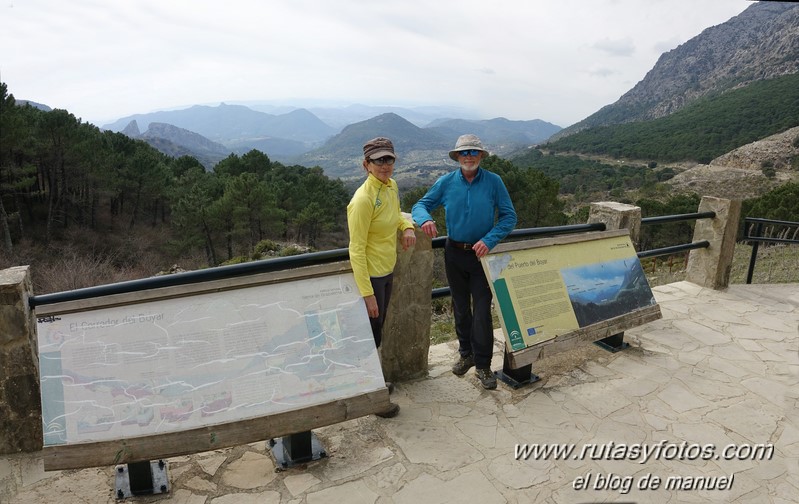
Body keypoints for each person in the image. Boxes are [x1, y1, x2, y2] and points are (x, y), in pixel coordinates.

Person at [412, 134, 517, 390]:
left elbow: (508, 216)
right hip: (454, 253)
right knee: (460, 306)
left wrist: (490, 240)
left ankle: (482, 365)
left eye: (473, 152)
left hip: (482, 255)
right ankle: (466, 354)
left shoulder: (494, 182)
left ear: (480, 156)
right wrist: (425, 219)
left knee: (482, 311)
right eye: (464, 153)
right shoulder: (446, 182)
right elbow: (420, 204)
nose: (468, 157)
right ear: (457, 157)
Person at [347, 136, 416, 417]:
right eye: (379, 161)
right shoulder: (362, 200)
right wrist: (367, 293)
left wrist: (408, 226)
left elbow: (396, 213)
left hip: (387, 270)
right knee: (370, 337)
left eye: (389, 159)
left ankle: (373, 387)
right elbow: (356, 248)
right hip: (373, 277)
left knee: (376, 334)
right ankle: (373, 398)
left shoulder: (391, 186)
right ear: (367, 165)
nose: (385, 165)